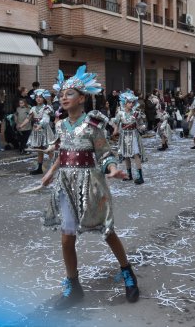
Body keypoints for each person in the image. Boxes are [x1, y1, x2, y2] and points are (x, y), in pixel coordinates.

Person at [41, 65, 139, 309]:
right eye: (61, 94)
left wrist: (113, 170)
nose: (63, 97)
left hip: (90, 184)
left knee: (107, 232)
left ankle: (127, 272)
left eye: (69, 93)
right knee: (66, 239)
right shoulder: (61, 125)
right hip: (65, 185)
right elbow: (62, 154)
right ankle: (73, 285)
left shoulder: (94, 125)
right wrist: (50, 174)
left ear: (82, 98)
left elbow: (105, 154)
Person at [111, 91, 146, 184]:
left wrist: (142, 127)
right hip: (124, 136)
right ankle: (129, 175)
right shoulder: (120, 114)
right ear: (124, 103)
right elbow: (115, 123)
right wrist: (115, 129)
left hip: (134, 135)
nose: (131, 104)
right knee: (126, 155)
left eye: (132, 102)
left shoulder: (136, 113)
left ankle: (140, 176)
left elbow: (142, 124)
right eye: (129, 102)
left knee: (136, 154)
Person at [17, 89, 54, 175]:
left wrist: (40, 126)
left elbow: (46, 119)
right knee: (39, 150)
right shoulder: (33, 108)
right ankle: (39, 168)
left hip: (44, 130)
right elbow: (28, 118)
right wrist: (21, 125)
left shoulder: (47, 108)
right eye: (37, 97)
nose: (38, 99)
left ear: (44, 98)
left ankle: (54, 168)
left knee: (49, 150)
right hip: (36, 130)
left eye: (40, 97)